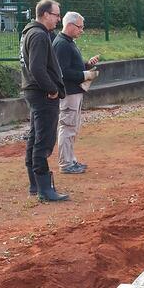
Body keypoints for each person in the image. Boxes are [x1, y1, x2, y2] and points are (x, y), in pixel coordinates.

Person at [21, 0, 69, 201]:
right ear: (45, 14)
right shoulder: (39, 35)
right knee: (44, 139)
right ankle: (44, 189)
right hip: (42, 93)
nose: (58, 19)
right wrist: (52, 89)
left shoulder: (29, 32)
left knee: (35, 137)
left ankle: (36, 184)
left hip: (33, 91)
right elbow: (37, 68)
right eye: (56, 14)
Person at [53, 11, 100, 174]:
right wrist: (84, 75)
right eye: (80, 27)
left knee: (72, 127)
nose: (82, 30)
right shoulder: (62, 44)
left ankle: (70, 160)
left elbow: (71, 66)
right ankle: (66, 163)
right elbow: (63, 72)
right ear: (70, 25)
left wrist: (86, 65)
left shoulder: (67, 42)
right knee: (67, 127)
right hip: (69, 92)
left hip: (74, 91)